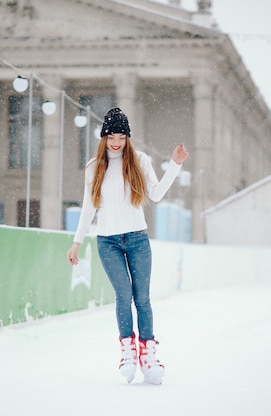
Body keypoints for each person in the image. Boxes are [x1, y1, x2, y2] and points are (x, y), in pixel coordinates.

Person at [66, 107, 189, 384]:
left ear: (128, 137)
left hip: (137, 239)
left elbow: (156, 195)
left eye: (121, 135)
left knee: (142, 298)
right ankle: (128, 350)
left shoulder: (140, 161)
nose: (116, 141)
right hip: (107, 241)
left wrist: (175, 164)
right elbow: (88, 209)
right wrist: (76, 243)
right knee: (124, 296)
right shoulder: (93, 167)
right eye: (111, 135)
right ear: (104, 137)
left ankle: (148, 352)